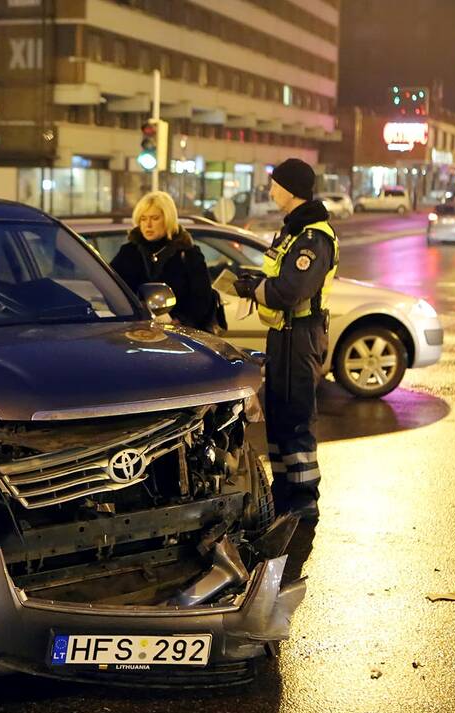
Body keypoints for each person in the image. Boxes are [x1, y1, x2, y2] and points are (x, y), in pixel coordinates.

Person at [232, 158, 338, 521]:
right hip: (284, 334)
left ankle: (304, 496)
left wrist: (255, 289)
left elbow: (290, 291)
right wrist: (255, 283)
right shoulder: (294, 231)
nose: (271, 190)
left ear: (291, 189)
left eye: (276, 184)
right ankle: (284, 488)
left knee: (296, 414)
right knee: (278, 413)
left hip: (301, 334)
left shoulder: (314, 237)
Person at [110, 190, 219, 332]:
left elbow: (201, 298)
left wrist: (179, 320)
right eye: (143, 218)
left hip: (180, 335)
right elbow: (112, 288)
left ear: (167, 219)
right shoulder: (128, 252)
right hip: (136, 332)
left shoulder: (187, 253)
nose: (148, 225)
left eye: (154, 218)